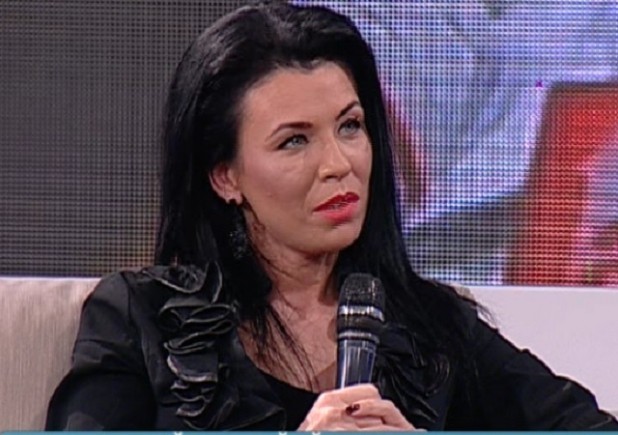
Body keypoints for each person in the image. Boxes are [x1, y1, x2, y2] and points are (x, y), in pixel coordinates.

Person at [46, 1, 618, 431]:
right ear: (225, 176)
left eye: (350, 126)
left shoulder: (433, 327)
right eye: (295, 141)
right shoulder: (141, 317)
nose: (339, 164)